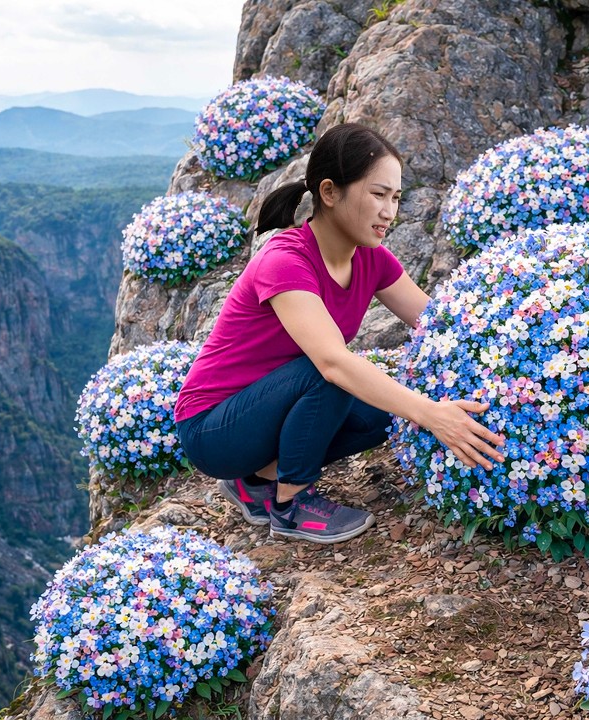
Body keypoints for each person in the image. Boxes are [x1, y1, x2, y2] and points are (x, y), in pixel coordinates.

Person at [174, 122, 504, 545]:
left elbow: (438, 323)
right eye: (378, 194)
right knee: (330, 371)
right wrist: (432, 414)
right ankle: (290, 506)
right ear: (329, 193)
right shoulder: (285, 261)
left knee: (387, 411)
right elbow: (332, 362)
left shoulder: (373, 260)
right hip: (213, 429)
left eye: (396, 197)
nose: (391, 212)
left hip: (266, 410)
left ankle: (255, 482)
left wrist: (510, 348)